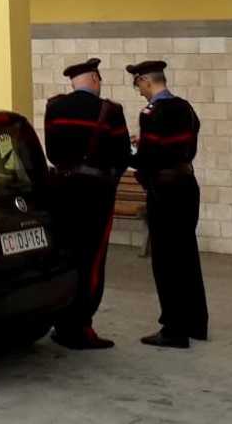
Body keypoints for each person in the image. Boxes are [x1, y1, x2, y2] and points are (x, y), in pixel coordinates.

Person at [43, 58, 131, 350]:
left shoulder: (54, 107)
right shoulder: (111, 111)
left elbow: (52, 153)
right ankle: (80, 327)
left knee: (64, 255)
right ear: (94, 78)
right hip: (96, 194)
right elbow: (121, 158)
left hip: (61, 192)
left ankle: (61, 320)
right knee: (91, 260)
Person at [126, 60, 208, 349]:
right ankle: (196, 322)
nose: (139, 92)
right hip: (187, 185)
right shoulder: (185, 107)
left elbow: (150, 157)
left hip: (164, 190)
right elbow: (181, 145)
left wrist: (130, 154)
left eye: (138, 85)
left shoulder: (151, 113)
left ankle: (173, 329)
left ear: (147, 81)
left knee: (166, 260)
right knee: (186, 254)